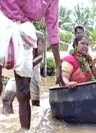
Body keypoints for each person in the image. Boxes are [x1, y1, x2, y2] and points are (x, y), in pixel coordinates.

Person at [0, 1, 64, 129]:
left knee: (24, 92)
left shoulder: (52, 1)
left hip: (24, 36)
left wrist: (58, 65)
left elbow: (52, 30)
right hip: (2, 21)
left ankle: (25, 130)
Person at [2, 31, 45, 115]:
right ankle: (8, 125)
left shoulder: (38, 35)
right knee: (6, 99)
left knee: (35, 103)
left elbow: (40, 56)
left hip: (33, 69)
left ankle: (34, 124)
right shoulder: (14, 31)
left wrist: (28, 65)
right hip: (17, 69)